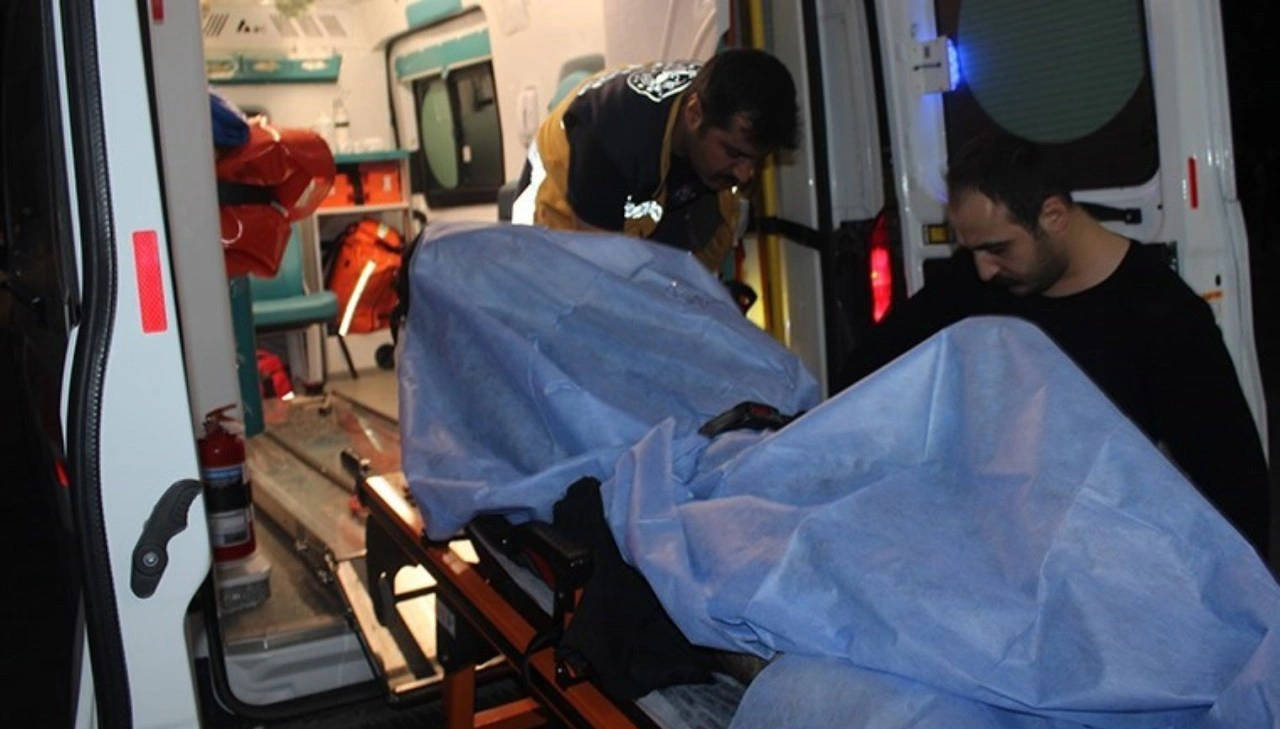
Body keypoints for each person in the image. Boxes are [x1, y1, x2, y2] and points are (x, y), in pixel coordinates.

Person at [838, 134, 1271, 558]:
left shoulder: (1163, 315)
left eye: (997, 248)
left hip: (1107, 557)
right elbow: (867, 373)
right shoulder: (973, 284)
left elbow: (1233, 485)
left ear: (1054, 215)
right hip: (993, 546)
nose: (985, 269)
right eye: (971, 251)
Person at [511, 48, 800, 273]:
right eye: (734, 154)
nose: (745, 174)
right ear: (694, 114)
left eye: (756, 160)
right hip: (559, 205)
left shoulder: (719, 100)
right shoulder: (610, 140)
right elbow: (599, 280)